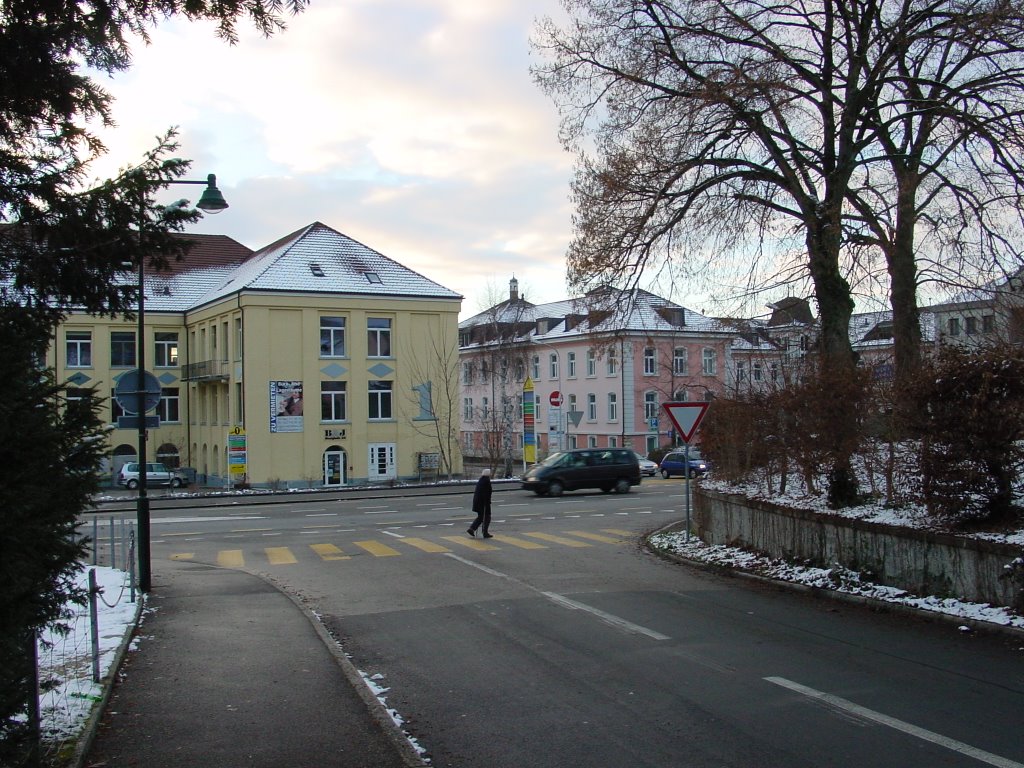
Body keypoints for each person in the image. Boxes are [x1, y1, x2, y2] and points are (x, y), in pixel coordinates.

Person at [467, 468, 493, 538]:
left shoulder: (481, 480)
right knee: (487, 517)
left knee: (481, 517)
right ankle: (484, 532)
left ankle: (472, 529)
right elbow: (486, 493)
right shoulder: (486, 481)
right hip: (483, 503)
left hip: (478, 502)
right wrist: (486, 502)